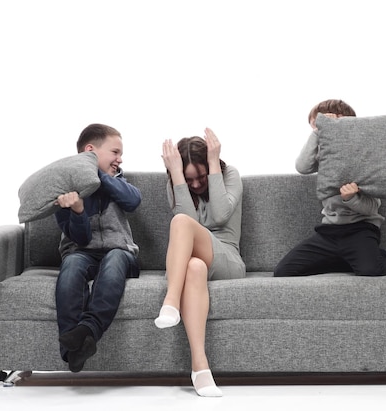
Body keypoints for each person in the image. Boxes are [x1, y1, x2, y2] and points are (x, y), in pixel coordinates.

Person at [155, 128, 245, 397]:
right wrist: (176, 176)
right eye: (188, 179)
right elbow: (187, 215)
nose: (194, 185)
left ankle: (171, 300)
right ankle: (200, 368)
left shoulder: (230, 175)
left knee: (181, 222)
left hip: (228, 259)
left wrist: (215, 164)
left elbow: (218, 216)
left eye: (201, 177)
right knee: (194, 267)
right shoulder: (175, 184)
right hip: (196, 261)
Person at [274, 99, 386, 278]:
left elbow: (371, 209)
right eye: (315, 126)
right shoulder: (325, 157)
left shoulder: (366, 158)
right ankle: (346, 259)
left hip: (360, 230)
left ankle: (381, 258)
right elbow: (302, 167)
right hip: (329, 232)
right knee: (284, 271)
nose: (319, 128)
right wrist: (318, 133)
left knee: (370, 270)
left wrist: (352, 199)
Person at [54, 123, 142, 373]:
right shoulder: (65, 189)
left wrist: (96, 172)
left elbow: (133, 201)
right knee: (71, 263)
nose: (120, 159)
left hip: (121, 253)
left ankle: (88, 329)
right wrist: (78, 210)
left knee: (114, 257)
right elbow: (80, 239)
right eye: (115, 152)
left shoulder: (117, 181)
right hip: (83, 253)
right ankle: (73, 350)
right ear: (91, 150)